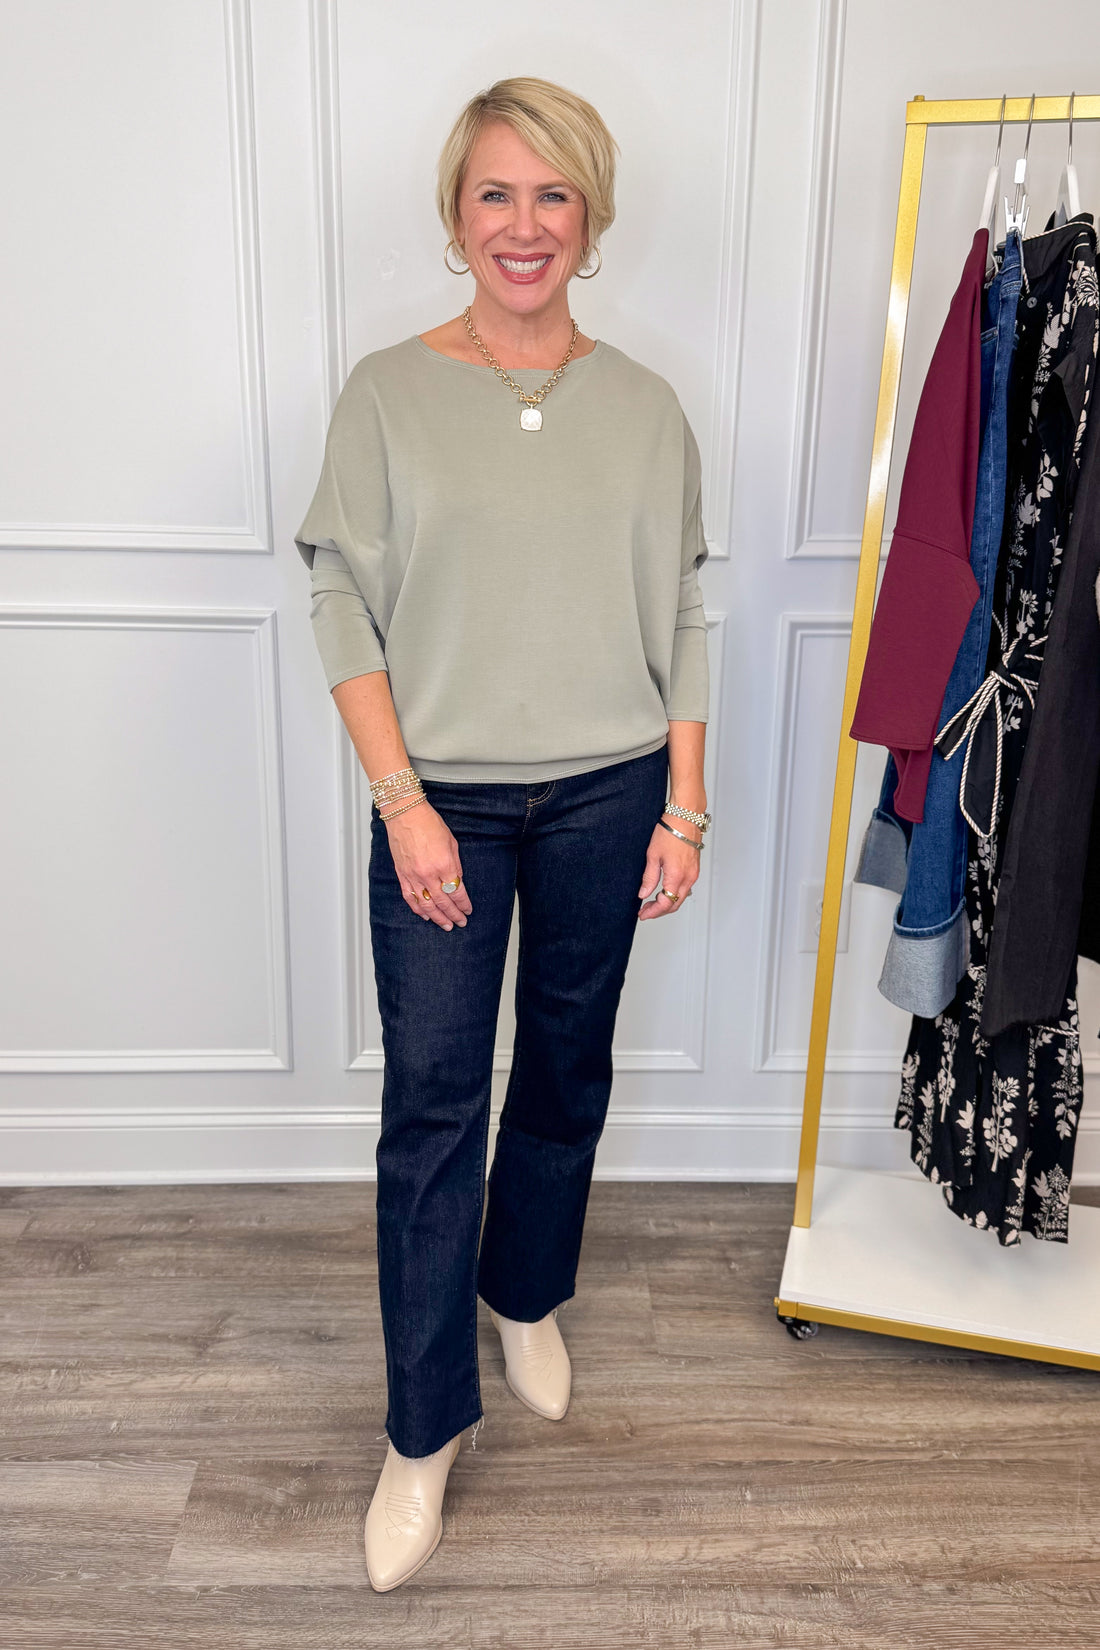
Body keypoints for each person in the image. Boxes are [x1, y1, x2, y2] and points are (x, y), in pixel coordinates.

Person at [295, 75, 712, 1591]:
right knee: (430, 1106)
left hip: (611, 790)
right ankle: (424, 1429)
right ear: (456, 216)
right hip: (443, 802)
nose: (523, 225)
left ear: (588, 216)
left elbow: (682, 606)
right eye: (495, 194)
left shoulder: (648, 407)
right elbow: (338, 590)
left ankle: (525, 1289)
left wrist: (685, 801)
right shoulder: (388, 394)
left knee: (565, 1071)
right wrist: (403, 801)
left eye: (552, 195)